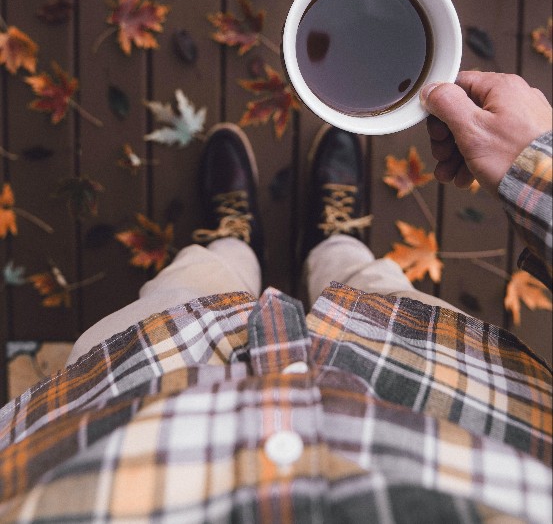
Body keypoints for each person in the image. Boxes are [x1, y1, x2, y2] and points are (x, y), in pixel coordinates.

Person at [0, 71, 551, 523]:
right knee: (372, 286)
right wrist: (534, 166)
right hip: (453, 384)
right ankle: (333, 241)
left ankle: (233, 243)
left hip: (134, 383)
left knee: (192, 282)